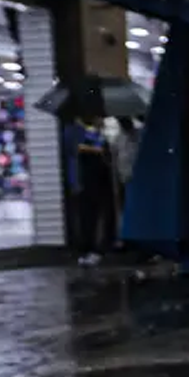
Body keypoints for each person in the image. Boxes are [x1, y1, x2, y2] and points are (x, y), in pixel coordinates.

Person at [63, 113, 115, 266]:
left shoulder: (94, 131)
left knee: (98, 214)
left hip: (98, 180)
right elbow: (78, 149)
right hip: (84, 180)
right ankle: (88, 248)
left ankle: (98, 246)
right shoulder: (74, 131)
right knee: (87, 215)